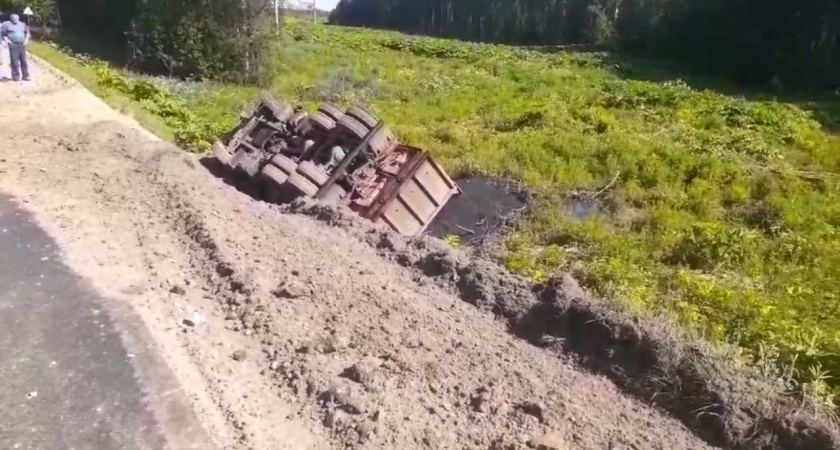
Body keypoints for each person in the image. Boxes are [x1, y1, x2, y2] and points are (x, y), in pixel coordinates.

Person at [2, 14, 29, 81]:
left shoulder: (22, 24)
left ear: (19, 18)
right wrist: (7, 41)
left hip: (22, 44)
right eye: (13, 18)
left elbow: (27, 33)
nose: (15, 19)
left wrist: (26, 41)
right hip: (13, 45)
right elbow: (3, 34)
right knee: (14, 61)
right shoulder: (7, 25)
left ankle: (25, 76)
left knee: (23, 61)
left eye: (16, 18)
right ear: (11, 18)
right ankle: (16, 77)